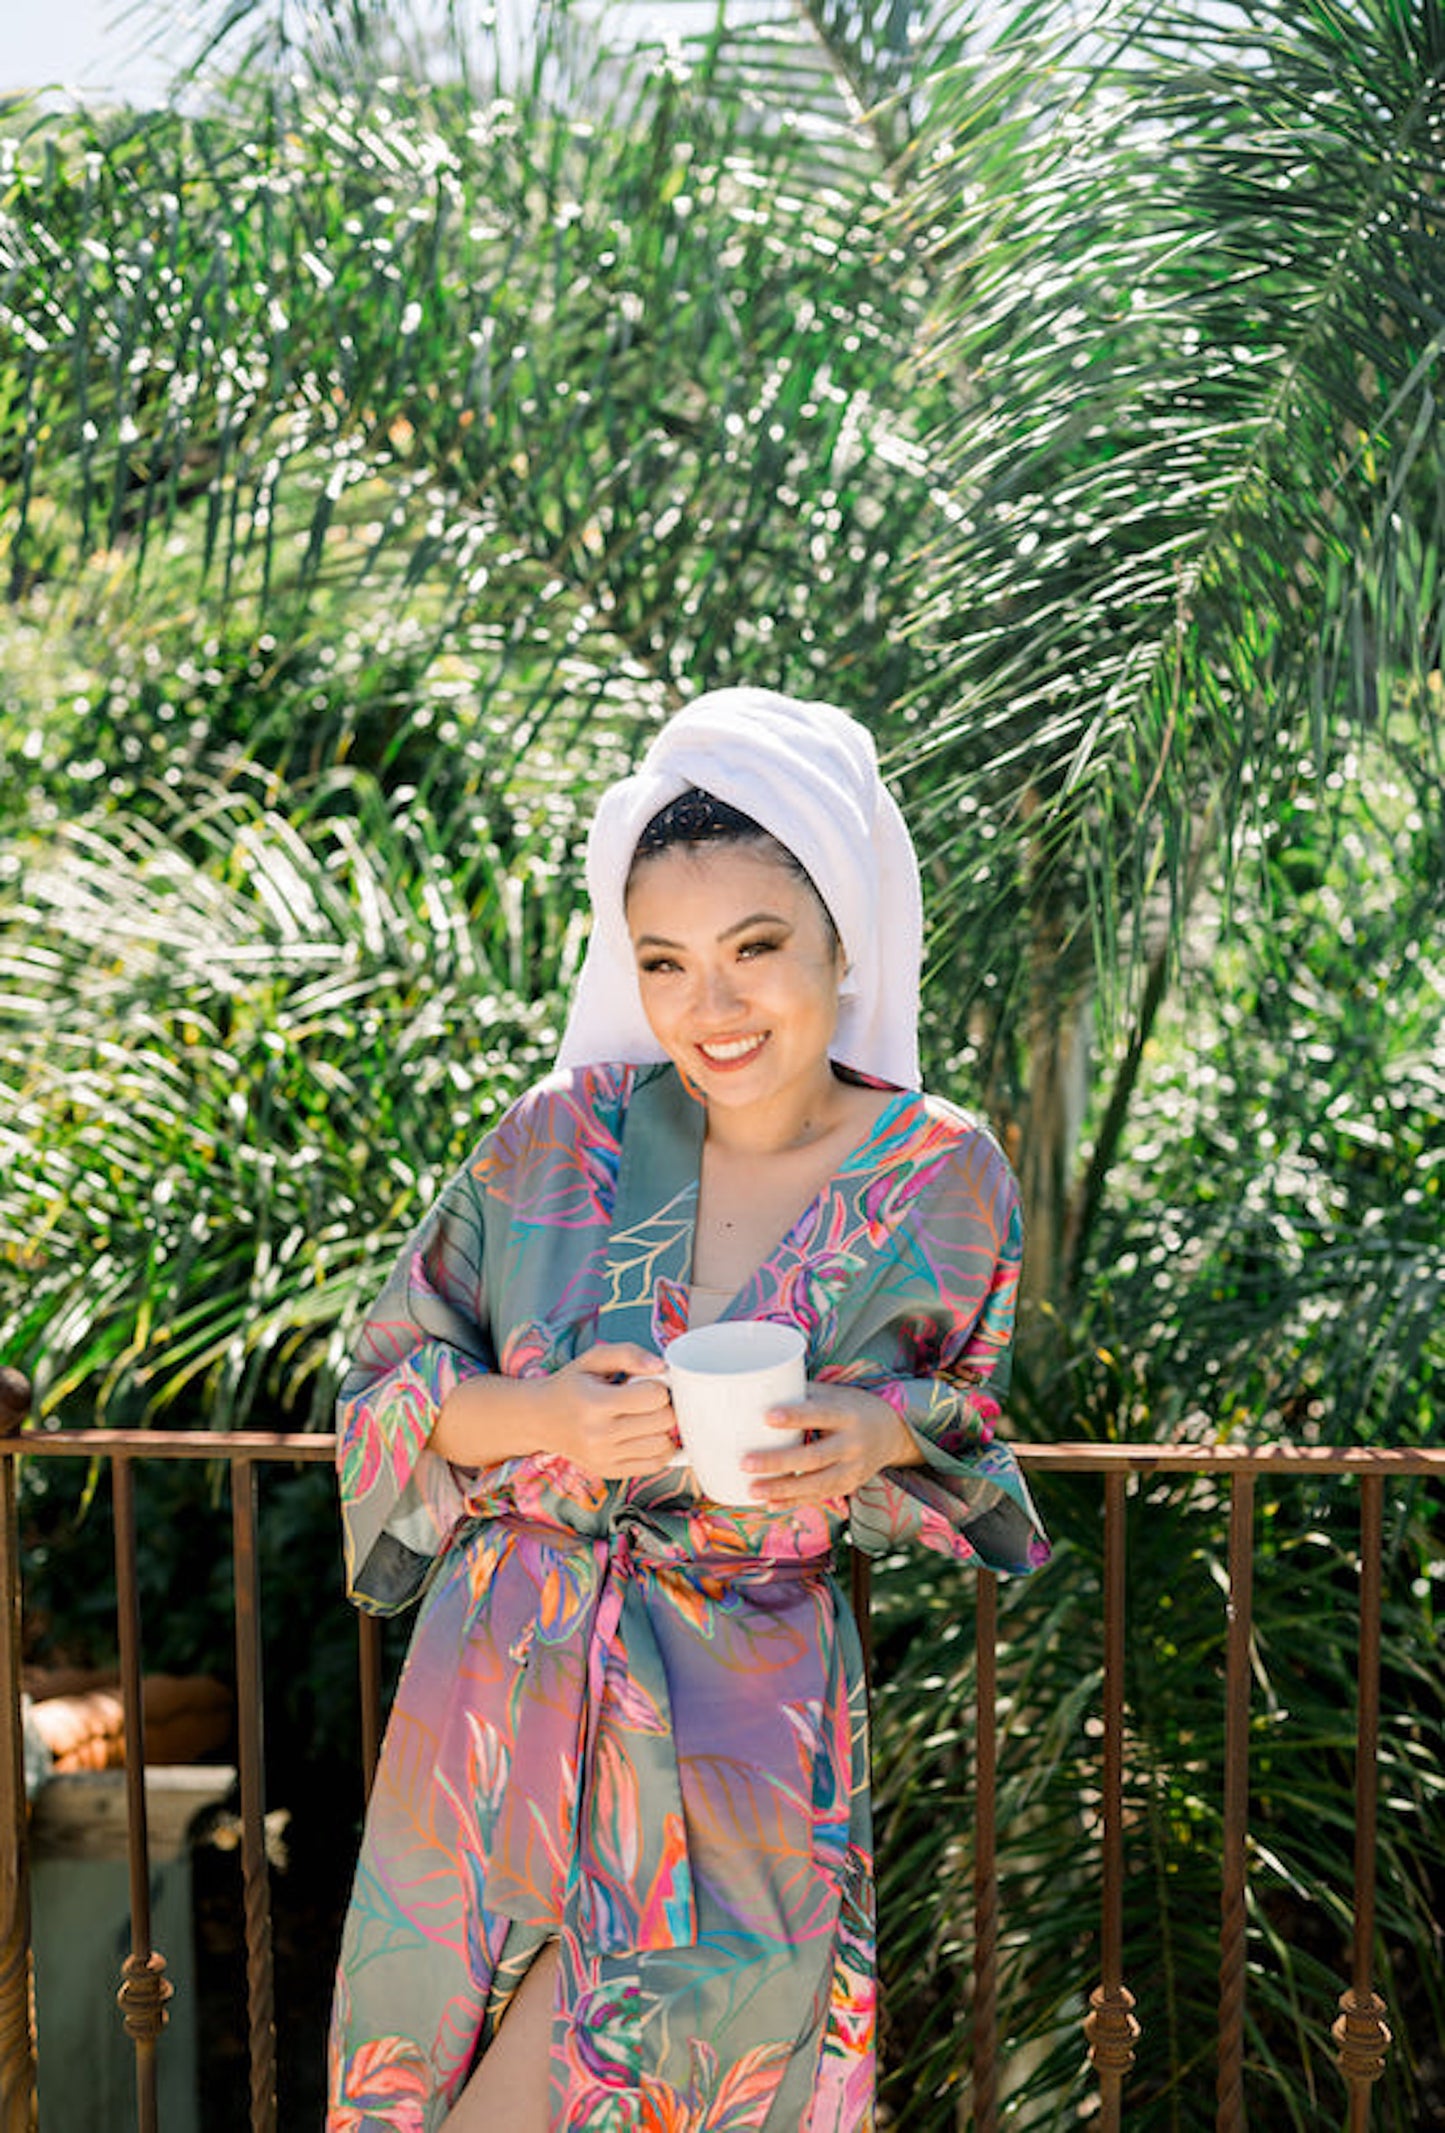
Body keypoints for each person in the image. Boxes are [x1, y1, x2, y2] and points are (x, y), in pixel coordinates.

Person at [326, 686, 1049, 2132]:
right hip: (496, 1700)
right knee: (435, 2089)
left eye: (754, 949)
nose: (710, 1008)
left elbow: (966, 1425)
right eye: (664, 962)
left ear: (842, 939)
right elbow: (388, 1392)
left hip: (736, 1721)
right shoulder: (557, 1140)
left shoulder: (941, 1177)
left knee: (682, 2096)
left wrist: (877, 1433)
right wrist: (547, 1414)